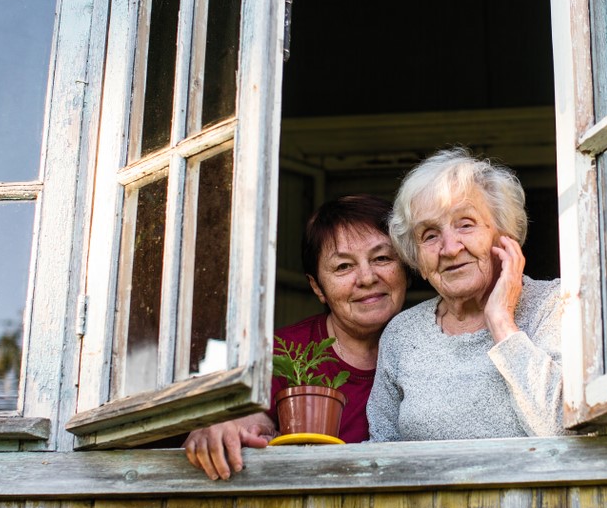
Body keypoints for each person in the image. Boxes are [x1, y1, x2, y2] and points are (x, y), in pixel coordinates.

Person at [184, 195, 408, 479]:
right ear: (317, 287)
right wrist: (221, 422)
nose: (366, 277)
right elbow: (249, 417)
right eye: (343, 267)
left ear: (406, 266)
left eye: (382, 258)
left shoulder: (433, 339)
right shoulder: (283, 351)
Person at [367, 148, 568, 441]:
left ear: (503, 237)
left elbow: (561, 430)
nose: (449, 248)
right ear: (418, 260)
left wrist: (501, 322)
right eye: (430, 235)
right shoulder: (402, 334)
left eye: (465, 224)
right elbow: (382, 451)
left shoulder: (555, 305)